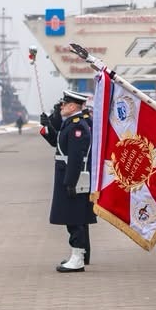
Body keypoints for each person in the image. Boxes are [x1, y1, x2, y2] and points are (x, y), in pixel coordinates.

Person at [49, 90, 95, 272]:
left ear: (73, 106)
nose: (61, 106)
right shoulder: (71, 123)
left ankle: (78, 258)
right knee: (72, 218)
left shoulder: (77, 127)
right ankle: (77, 255)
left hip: (73, 178)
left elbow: (76, 158)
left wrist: (70, 182)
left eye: (64, 103)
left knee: (75, 219)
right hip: (68, 176)